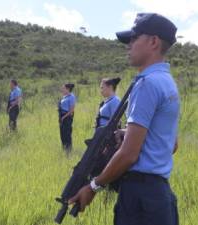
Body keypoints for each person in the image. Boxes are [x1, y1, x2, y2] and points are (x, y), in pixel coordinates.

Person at [69, 13, 180, 225]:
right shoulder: (167, 82)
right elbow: (171, 144)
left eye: (133, 39)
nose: (128, 45)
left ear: (153, 42)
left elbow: (129, 154)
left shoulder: (146, 84)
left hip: (139, 201)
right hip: (160, 197)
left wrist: (93, 186)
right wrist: (129, 134)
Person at [58, 83, 76, 151]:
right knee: (62, 134)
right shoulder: (64, 96)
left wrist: (64, 117)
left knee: (67, 134)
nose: (62, 90)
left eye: (63, 88)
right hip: (62, 116)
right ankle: (64, 149)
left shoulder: (72, 97)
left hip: (67, 117)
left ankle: (69, 150)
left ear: (68, 89)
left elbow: (71, 110)